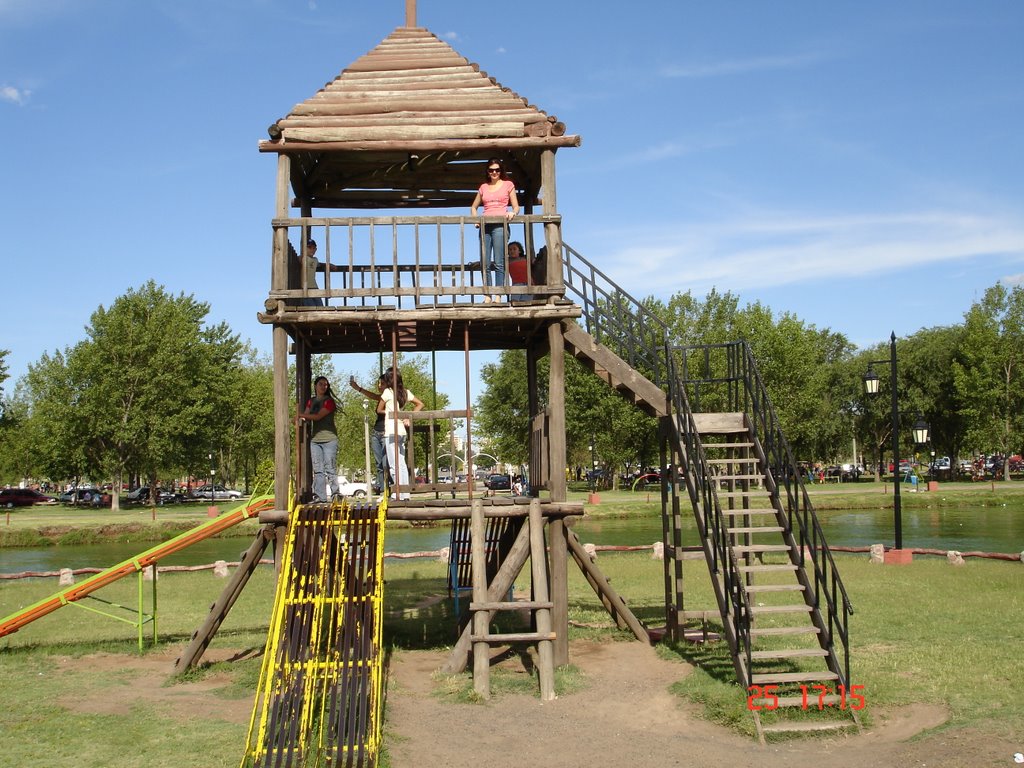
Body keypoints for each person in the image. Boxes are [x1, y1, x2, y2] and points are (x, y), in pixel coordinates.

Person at [470, 158, 519, 302]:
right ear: (488, 171)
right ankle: (487, 294)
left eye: (497, 170)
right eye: (491, 170)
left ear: (501, 170)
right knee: (484, 262)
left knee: (499, 261)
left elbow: (516, 206)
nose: (494, 172)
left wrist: (512, 213)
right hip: (485, 225)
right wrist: (476, 219)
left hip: (500, 226)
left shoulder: (508, 185)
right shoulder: (483, 187)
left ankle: (498, 294)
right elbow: (474, 207)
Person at [377, 367, 424, 500]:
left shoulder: (387, 392)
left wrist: (388, 412)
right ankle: (405, 493)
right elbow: (420, 404)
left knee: (393, 464)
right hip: (402, 431)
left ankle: (397, 492)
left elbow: (379, 409)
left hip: (391, 431)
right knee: (402, 464)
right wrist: (409, 416)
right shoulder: (405, 392)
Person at [296, 376, 338, 502]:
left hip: (329, 439)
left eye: (326, 384)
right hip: (315, 440)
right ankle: (320, 496)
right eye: (321, 384)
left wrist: (300, 414)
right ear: (315, 386)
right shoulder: (312, 401)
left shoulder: (329, 401)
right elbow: (307, 414)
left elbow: (318, 416)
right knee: (318, 469)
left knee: (329, 467)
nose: (323, 386)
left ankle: (335, 494)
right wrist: (301, 418)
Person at [350, 373, 389, 494]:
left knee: (386, 463)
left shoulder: (392, 397)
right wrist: (358, 388)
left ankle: (390, 488)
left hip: (386, 432)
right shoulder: (381, 397)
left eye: (382, 383)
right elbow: (372, 395)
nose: (379, 386)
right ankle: (382, 489)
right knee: (379, 464)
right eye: (378, 383)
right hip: (376, 433)